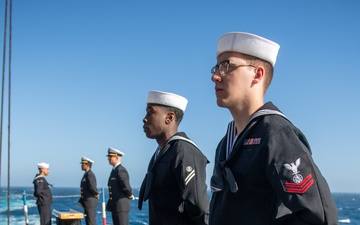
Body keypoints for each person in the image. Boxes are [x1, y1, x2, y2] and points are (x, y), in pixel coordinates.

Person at [209, 32, 339, 225]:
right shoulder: (226, 143)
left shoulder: (275, 134)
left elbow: (320, 217)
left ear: (257, 74)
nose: (215, 76)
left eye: (227, 66)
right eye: (217, 67)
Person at [138, 90, 210, 225]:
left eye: (150, 112)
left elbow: (199, 206)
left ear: (169, 118)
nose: (144, 118)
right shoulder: (162, 152)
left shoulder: (183, 151)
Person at [106, 147, 133, 225]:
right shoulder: (114, 170)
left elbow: (126, 187)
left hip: (121, 206)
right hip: (115, 206)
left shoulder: (120, 170)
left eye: (110, 157)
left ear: (117, 157)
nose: (108, 159)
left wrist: (130, 194)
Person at [78, 156, 99, 225]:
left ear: (87, 165)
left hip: (90, 202)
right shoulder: (86, 174)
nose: (81, 166)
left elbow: (92, 186)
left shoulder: (90, 175)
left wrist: (96, 194)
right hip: (87, 202)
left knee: (91, 221)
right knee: (88, 220)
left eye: (82, 164)